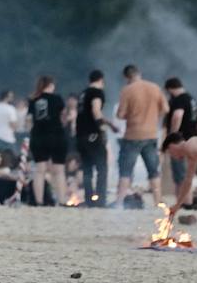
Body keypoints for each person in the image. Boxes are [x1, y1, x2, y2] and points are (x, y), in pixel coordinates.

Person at [115, 64, 168, 204]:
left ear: (126, 77)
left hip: (132, 135)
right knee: (153, 170)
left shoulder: (127, 90)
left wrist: (131, 115)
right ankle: (158, 201)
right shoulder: (155, 88)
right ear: (139, 73)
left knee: (125, 170)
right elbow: (165, 109)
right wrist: (154, 117)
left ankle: (119, 202)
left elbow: (120, 114)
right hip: (151, 134)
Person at [25, 76, 67, 207]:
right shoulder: (57, 98)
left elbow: (28, 121)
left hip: (38, 136)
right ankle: (62, 201)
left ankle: (39, 201)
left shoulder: (33, 99)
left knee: (40, 170)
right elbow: (63, 116)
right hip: (56, 136)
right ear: (51, 85)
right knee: (58, 170)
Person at [75, 71, 109, 207]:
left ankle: (89, 199)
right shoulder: (97, 92)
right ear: (101, 79)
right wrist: (102, 128)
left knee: (87, 169)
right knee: (102, 168)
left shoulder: (83, 94)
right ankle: (100, 200)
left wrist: (110, 124)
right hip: (93, 135)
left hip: (81, 135)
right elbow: (96, 110)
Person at [164, 77, 197, 184]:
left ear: (170, 89)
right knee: (188, 174)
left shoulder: (179, 99)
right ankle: (187, 199)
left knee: (180, 176)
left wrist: (172, 135)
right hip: (193, 139)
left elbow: (177, 115)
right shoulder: (192, 99)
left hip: (180, 141)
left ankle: (182, 200)